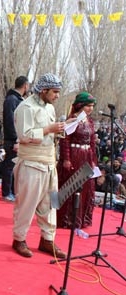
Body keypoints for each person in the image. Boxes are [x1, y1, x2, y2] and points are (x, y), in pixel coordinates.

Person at [12, 73, 67, 259]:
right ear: (44, 90)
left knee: (51, 204)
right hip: (32, 165)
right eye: (55, 92)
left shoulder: (50, 108)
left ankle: (48, 240)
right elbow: (24, 134)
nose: (57, 96)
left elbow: (49, 134)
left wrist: (58, 132)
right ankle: (19, 239)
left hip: (50, 165)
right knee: (27, 204)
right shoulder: (26, 107)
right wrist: (49, 129)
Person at [57, 92, 97, 230]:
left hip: (86, 156)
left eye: (92, 106)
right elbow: (65, 140)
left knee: (86, 187)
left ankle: (80, 220)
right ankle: (66, 219)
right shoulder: (72, 120)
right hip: (74, 155)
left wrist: (93, 160)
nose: (90, 108)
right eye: (88, 106)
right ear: (81, 105)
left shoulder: (90, 121)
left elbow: (92, 143)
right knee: (71, 185)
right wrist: (66, 159)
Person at [1, 76, 29, 202]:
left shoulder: (19, 99)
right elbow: (10, 121)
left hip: (19, 138)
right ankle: (6, 192)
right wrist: (16, 139)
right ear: (25, 85)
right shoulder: (11, 99)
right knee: (9, 166)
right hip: (13, 139)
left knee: (15, 167)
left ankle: (13, 191)